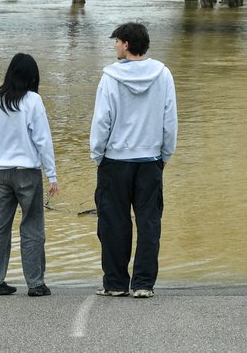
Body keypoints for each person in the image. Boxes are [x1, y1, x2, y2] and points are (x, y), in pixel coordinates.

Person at [89, 22, 177, 299]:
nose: (114, 45)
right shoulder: (163, 75)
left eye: (116, 41)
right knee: (149, 222)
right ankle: (143, 284)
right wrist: (165, 154)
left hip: (115, 160)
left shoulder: (110, 78)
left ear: (126, 44)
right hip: (150, 159)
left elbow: (102, 121)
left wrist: (97, 154)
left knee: (114, 223)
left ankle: (115, 283)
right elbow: (169, 120)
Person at [0, 53, 60, 297]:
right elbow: (42, 140)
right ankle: (35, 284)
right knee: (32, 227)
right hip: (27, 173)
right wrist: (52, 175)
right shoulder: (33, 100)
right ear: (32, 76)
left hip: (1, 173)